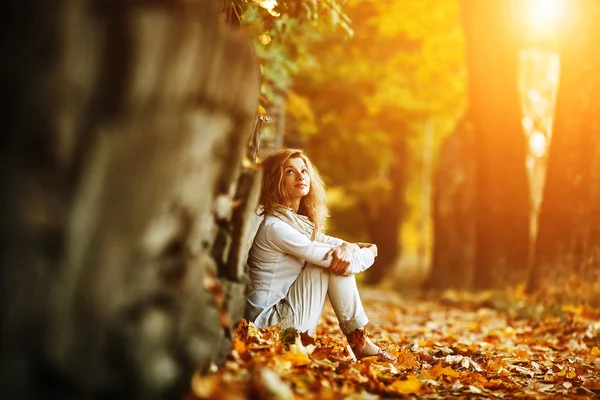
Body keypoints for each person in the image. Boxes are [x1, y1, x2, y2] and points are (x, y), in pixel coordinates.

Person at [245, 148, 397, 363]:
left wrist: (348, 246)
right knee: (329, 263)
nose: (300, 176)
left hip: (280, 320)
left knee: (333, 258)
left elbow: (338, 246)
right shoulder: (275, 227)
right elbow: (340, 260)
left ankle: (359, 341)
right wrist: (370, 252)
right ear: (274, 181)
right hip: (266, 329)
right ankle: (359, 342)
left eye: (304, 171)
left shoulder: (298, 225)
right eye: (289, 172)